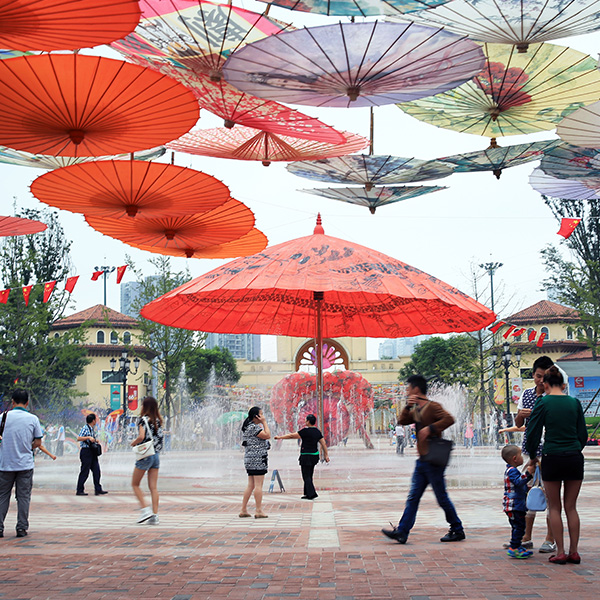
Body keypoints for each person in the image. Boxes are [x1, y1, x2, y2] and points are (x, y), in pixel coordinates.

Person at [381, 375, 465, 544]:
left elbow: (449, 419)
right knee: (413, 497)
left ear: (416, 389)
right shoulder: (417, 409)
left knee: (441, 497)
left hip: (433, 460)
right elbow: (402, 421)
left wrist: (429, 429)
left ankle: (457, 529)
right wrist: (407, 406)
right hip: (423, 461)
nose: (406, 391)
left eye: (408, 388)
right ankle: (402, 531)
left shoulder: (433, 406)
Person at [526, 366, 587, 565]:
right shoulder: (574, 402)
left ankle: (560, 551)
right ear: (562, 384)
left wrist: (533, 456)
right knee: (571, 506)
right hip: (574, 457)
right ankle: (574, 551)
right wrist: (575, 448)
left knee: (554, 506)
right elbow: (582, 434)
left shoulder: (542, 402)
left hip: (552, 456)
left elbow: (533, 432)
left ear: (545, 384)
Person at [513, 355, 556, 553]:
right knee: (528, 492)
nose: (541, 380)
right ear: (533, 375)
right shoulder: (527, 394)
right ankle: (526, 536)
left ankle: (550, 538)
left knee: (551, 495)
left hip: (550, 450)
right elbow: (518, 424)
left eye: (545, 376)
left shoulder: (556, 395)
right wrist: (521, 415)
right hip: (531, 451)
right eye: (538, 376)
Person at [0, 389, 42, 538]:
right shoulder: (33, 419)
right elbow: (38, 441)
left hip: (5, 464)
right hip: (25, 464)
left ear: (12, 402)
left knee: (2, 495)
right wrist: (28, 447)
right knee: (23, 497)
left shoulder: (2, 417)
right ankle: (21, 528)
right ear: (27, 402)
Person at [275, 414, 330, 500]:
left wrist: (280, 437)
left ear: (308, 421)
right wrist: (326, 455)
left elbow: (291, 436)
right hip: (314, 456)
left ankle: (312, 493)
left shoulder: (305, 431)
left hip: (306, 456)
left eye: (305, 420)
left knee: (305, 475)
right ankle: (307, 493)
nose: (305, 421)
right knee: (309, 474)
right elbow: (323, 443)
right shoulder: (317, 431)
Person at [130, 397, 164, 525]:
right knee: (153, 487)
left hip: (145, 455)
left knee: (135, 484)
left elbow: (141, 437)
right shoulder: (158, 421)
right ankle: (155, 516)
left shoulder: (143, 420)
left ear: (145, 406)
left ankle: (145, 510)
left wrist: (133, 443)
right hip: (156, 456)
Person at [501, 444, 535, 559]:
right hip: (514, 505)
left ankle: (517, 545)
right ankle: (514, 548)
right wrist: (528, 474)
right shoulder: (512, 471)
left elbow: (518, 485)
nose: (523, 458)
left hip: (514, 505)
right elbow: (519, 482)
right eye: (521, 455)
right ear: (515, 458)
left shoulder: (511, 470)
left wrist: (527, 488)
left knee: (518, 526)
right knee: (519, 527)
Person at [240, 407, 270, 519]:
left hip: (250, 458)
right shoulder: (253, 427)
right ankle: (258, 510)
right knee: (258, 485)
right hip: (257, 459)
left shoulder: (248, 426)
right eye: (261, 414)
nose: (263, 416)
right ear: (256, 416)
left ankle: (243, 509)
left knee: (251, 485)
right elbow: (267, 435)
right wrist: (265, 422)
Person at [76, 413, 108, 496]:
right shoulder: (85, 428)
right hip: (86, 452)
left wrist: (95, 440)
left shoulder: (91, 429)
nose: (96, 421)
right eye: (95, 420)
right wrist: (88, 438)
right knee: (84, 471)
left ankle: (98, 489)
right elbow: (79, 438)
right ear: (93, 420)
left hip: (92, 452)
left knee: (96, 471)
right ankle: (79, 490)